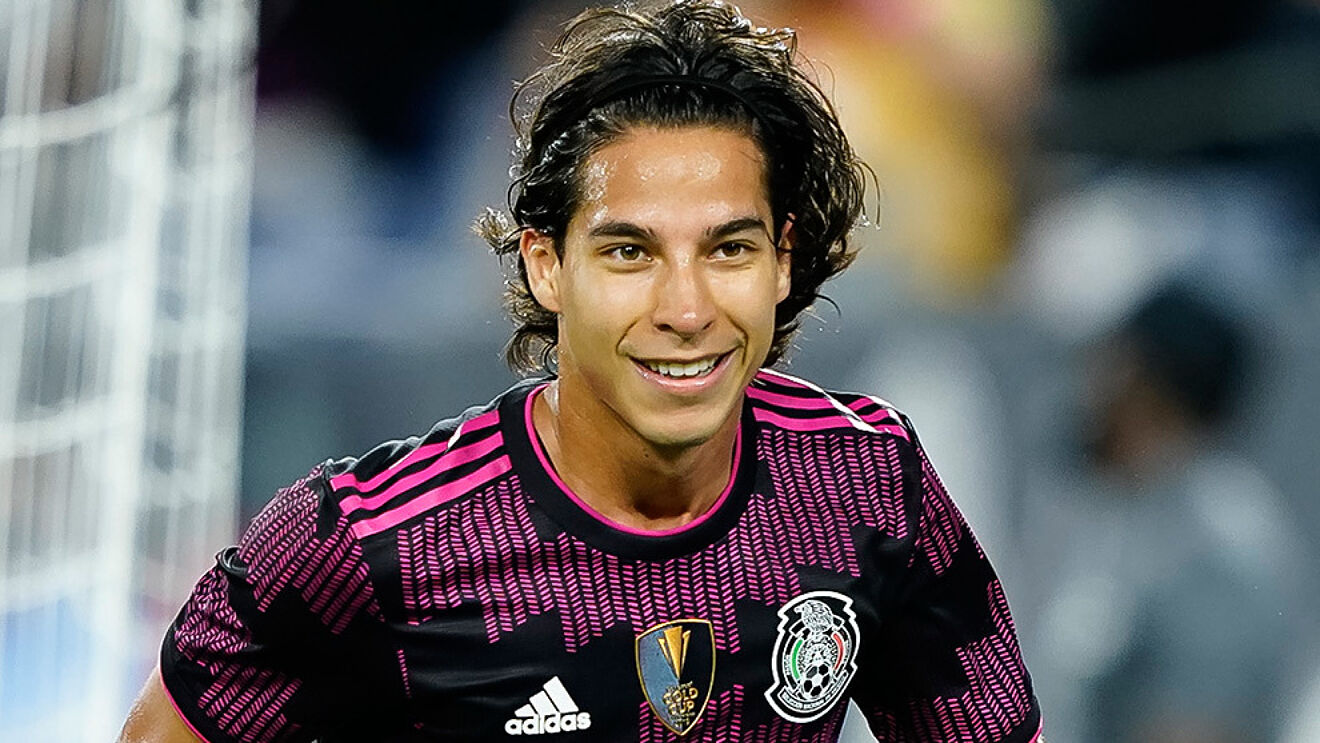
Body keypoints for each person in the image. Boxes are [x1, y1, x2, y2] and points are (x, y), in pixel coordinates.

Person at [119, 1, 1041, 740]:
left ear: (783, 264)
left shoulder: (870, 481)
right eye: (630, 252)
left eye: (729, 249)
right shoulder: (361, 542)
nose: (686, 309)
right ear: (546, 266)